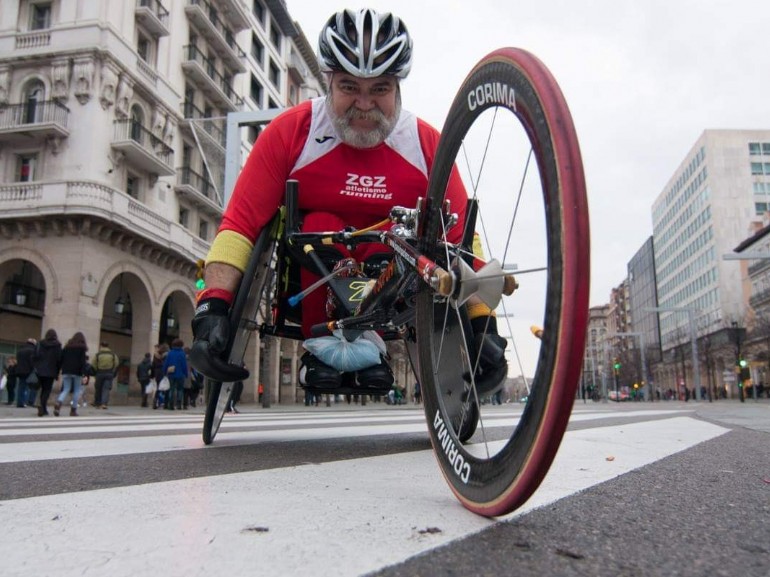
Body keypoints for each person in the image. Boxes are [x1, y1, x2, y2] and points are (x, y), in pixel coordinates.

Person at [190, 8, 507, 398]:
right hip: (309, 261)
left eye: (379, 89)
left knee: (402, 238)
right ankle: (321, 344)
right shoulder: (290, 134)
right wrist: (213, 306)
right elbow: (240, 226)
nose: (364, 104)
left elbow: (462, 241)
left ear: (398, 88)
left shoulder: (426, 145)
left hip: (393, 267)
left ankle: (372, 345)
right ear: (328, 83)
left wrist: (482, 324)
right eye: (348, 87)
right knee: (318, 222)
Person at [54, 332, 88, 417]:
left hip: (66, 370)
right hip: (77, 371)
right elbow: (82, 362)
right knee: (77, 390)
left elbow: (61, 359)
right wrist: (84, 373)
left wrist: (60, 369)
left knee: (66, 389)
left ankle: (59, 402)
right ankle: (73, 410)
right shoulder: (82, 348)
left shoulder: (66, 347)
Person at [33, 328, 62, 417]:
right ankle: (42, 406)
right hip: (51, 371)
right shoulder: (57, 345)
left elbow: (35, 356)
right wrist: (57, 372)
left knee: (40, 389)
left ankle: (41, 406)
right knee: (46, 390)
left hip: (40, 370)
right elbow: (59, 360)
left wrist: (36, 366)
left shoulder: (40, 343)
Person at [162, 338, 189, 410]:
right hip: (180, 375)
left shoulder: (170, 353)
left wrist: (164, 372)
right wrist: (186, 373)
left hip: (171, 374)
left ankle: (171, 404)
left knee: (171, 389)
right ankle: (179, 404)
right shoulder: (182, 353)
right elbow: (184, 365)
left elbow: (166, 363)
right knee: (180, 389)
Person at [93, 341, 119, 410]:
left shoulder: (98, 354)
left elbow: (94, 364)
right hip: (109, 373)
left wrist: (96, 371)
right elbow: (116, 363)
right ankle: (104, 403)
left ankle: (98, 403)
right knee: (106, 389)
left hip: (99, 373)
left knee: (98, 388)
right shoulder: (113, 355)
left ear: (101, 346)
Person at [15, 338, 37, 408]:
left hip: (20, 371)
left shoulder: (20, 350)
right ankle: (30, 401)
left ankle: (20, 402)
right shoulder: (32, 350)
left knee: (21, 386)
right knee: (33, 386)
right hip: (29, 371)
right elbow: (32, 361)